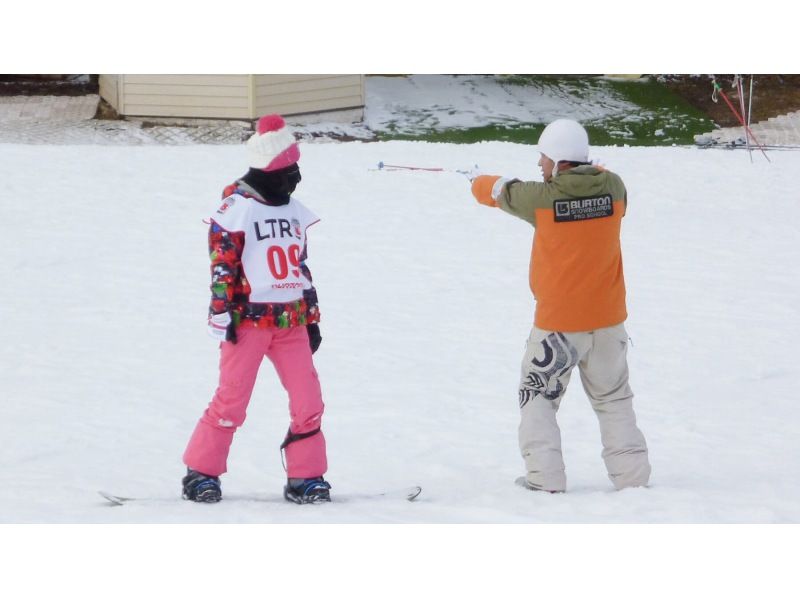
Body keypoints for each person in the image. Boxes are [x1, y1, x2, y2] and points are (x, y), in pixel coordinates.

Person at [470, 118, 651, 493]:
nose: (540, 165)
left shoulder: (541, 199)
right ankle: (632, 479)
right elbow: (601, 181)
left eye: (543, 158)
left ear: (558, 160)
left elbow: (498, 191)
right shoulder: (615, 188)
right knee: (614, 398)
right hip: (609, 322)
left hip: (558, 327)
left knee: (537, 397)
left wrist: (477, 179)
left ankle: (544, 478)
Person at [181, 114, 331, 504]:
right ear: (271, 169)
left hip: (291, 322)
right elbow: (222, 266)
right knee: (232, 401)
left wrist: (311, 318)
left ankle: (306, 477)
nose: (296, 177)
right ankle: (201, 473)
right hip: (247, 322)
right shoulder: (236, 209)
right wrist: (221, 312)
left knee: (309, 401)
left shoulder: (293, 210)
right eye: (290, 169)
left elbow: (301, 266)